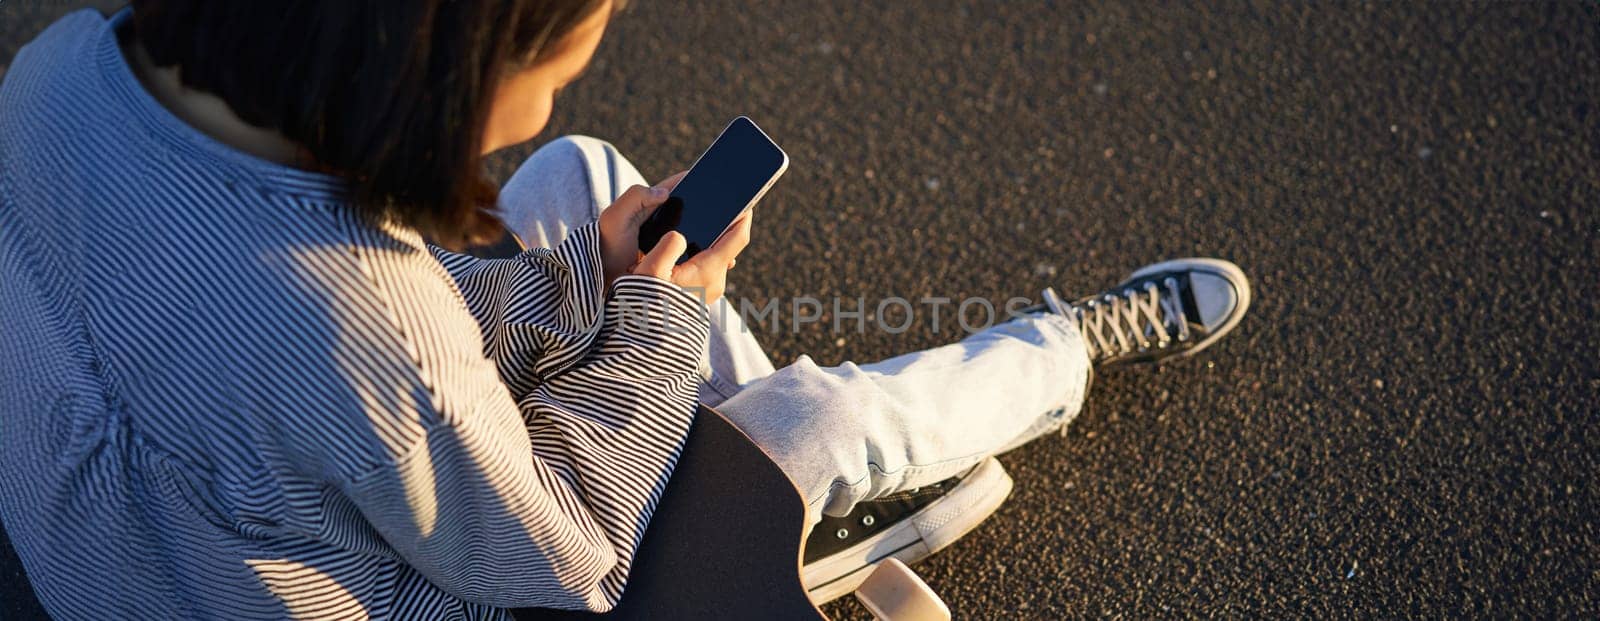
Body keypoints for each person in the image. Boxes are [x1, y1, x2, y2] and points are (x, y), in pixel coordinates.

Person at [0, 0, 1250, 619]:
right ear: (434, 65)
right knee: (801, 421)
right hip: (448, 575)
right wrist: (654, 324)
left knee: (582, 181)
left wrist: (591, 287)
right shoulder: (360, 328)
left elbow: (294, 341)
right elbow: (568, 553)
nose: (539, 103)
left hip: (187, 535)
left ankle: (800, 503)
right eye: (547, 70)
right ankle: (1066, 348)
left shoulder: (60, 67)